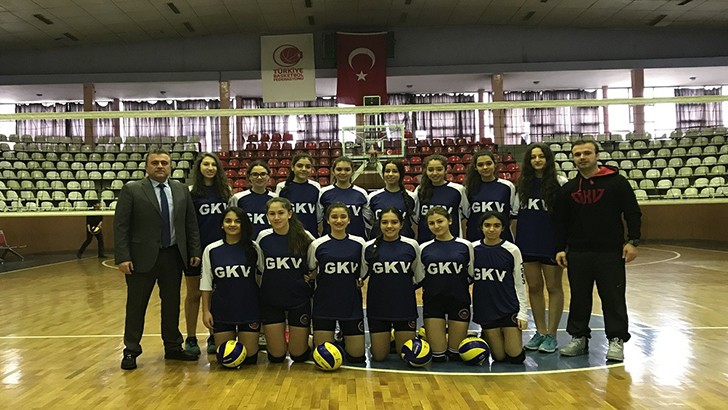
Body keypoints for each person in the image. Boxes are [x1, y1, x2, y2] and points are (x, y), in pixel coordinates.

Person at [554, 139, 641, 362]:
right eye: (577, 154)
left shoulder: (617, 182)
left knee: (613, 298)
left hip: (610, 252)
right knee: (579, 298)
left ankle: (616, 339)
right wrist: (560, 248)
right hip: (578, 253)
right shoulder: (568, 189)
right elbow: (561, 223)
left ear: (597, 156)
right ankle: (579, 338)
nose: (582, 157)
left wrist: (633, 241)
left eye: (587, 153)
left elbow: (632, 212)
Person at [114, 148, 201, 370]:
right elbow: (121, 226)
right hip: (140, 258)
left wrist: (194, 251)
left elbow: (190, 223)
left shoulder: (181, 190)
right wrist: (123, 257)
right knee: (136, 306)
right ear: (147, 167)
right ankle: (131, 350)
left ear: (170, 166)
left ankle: (173, 347)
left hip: (173, 255)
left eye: (164, 162)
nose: (160, 166)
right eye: (155, 163)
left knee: (171, 304)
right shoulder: (132, 190)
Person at [514, 143, 568, 353]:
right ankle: (540, 331)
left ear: (548, 159)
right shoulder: (522, 185)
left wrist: (563, 245)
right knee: (534, 287)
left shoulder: (560, 182)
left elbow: (565, 218)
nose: (537, 160)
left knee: (554, 287)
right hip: (527, 242)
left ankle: (552, 335)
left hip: (551, 244)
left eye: (541, 156)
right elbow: (515, 215)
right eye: (533, 157)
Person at [200, 206, 262, 366]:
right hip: (223, 308)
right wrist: (206, 311)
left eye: (237, 221)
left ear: (243, 224)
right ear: (222, 224)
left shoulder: (254, 248)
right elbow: (206, 283)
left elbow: (262, 276)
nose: (232, 224)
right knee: (226, 359)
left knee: (249, 359)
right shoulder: (211, 250)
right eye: (228, 221)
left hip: (249, 308)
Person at [256, 197, 315, 363]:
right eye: (272, 214)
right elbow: (260, 268)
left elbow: (314, 264)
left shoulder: (305, 236)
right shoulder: (263, 237)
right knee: (276, 356)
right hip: (271, 300)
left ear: (289, 214)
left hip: (298, 299)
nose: (276, 217)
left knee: (298, 356)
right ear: (267, 216)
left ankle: (309, 340)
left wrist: (312, 275)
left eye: (281, 213)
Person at [307, 203, 367, 364]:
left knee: (357, 357)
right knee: (323, 355)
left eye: (343, 217)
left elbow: (362, 272)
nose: (338, 221)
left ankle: (343, 338)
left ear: (349, 220)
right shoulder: (317, 244)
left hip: (351, 304)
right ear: (327, 220)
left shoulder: (359, 243)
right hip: (325, 304)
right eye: (334, 217)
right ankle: (310, 339)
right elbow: (312, 269)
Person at [361, 207, 424, 361]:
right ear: (379, 224)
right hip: (378, 307)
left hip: (404, 307)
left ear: (401, 224)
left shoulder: (411, 245)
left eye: (394, 222)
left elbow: (418, 277)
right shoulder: (368, 247)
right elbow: (361, 275)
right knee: (379, 356)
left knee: (406, 356)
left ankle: (398, 341)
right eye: (385, 222)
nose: (389, 226)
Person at [185, 152, 232, 355]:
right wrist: (193, 249)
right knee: (194, 294)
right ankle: (191, 338)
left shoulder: (225, 192)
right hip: (197, 251)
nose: (210, 168)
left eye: (213, 164)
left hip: (219, 251)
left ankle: (214, 334)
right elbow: (189, 225)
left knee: (215, 294)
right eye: (206, 164)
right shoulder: (191, 193)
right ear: (199, 167)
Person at [471, 211, 528, 364]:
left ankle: (508, 336)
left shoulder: (512, 250)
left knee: (515, 357)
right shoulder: (472, 249)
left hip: (508, 307)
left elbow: (520, 283)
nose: (492, 229)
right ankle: (488, 335)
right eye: (487, 225)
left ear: (503, 228)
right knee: (499, 357)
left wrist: (523, 313)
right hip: (486, 309)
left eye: (496, 225)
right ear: (481, 227)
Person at [419, 206, 474, 362]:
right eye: (431, 223)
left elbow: (471, 274)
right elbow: (420, 277)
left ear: (449, 221)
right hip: (433, 302)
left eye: (440, 221)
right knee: (438, 356)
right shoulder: (423, 248)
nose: (436, 226)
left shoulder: (465, 246)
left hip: (459, 300)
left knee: (456, 354)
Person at [414, 154, 469, 244]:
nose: (435, 173)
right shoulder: (420, 190)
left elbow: (464, 217)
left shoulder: (458, 190)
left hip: (452, 241)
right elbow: (416, 220)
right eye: (430, 170)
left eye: (439, 169)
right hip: (426, 241)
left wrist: (464, 239)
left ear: (445, 170)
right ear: (426, 171)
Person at [464, 150, 517, 243]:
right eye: (480, 165)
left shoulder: (507, 186)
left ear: (495, 164)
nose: (485, 167)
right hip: (475, 238)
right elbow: (466, 216)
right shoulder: (469, 188)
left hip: (502, 238)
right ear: (475, 167)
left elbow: (513, 215)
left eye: (488, 163)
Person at [318, 156, 371, 238]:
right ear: (333, 171)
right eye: (339, 169)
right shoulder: (324, 192)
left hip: (357, 239)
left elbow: (368, 220)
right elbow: (318, 219)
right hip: (331, 240)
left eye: (347, 169)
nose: (343, 173)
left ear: (352, 172)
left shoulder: (361, 193)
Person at [367, 159, 417, 239]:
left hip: (404, 243)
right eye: (387, 171)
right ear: (383, 174)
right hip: (378, 242)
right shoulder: (373, 196)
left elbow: (416, 222)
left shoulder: (412, 197)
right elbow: (369, 221)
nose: (390, 174)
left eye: (395, 171)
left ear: (401, 174)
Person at [276, 153, 321, 238]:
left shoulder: (316, 187)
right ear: (292, 167)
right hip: (288, 234)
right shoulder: (282, 186)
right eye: (300, 166)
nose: (304, 169)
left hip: (310, 234)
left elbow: (318, 215)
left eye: (307, 167)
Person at [231, 161, 277, 239]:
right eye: (255, 174)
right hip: (245, 241)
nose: (259, 178)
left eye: (263, 174)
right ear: (249, 177)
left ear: (268, 176)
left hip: (268, 241)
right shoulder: (238, 198)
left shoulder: (275, 198)